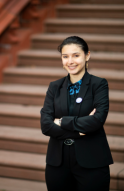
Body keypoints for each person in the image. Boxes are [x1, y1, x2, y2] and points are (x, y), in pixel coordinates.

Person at [40, 36, 113, 191]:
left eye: (76, 55)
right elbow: (46, 126)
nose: (70, 61)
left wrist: (61, 122)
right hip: (57, 163)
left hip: (92, 161)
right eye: (65, 56)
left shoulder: (99, 84)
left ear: (87, 56)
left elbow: (97, 120)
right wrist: (79, 130)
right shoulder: (54, 87)